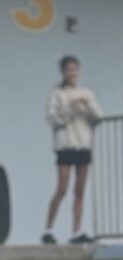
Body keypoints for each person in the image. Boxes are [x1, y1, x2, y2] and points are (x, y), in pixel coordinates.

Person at [43, 55, 102, 245]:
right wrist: (69, 109)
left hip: (83, 144)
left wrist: (85, 106)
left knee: (79, 190)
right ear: (63, 72)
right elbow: (53, 119)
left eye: (75, 69)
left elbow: (98, 116)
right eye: (69, 69)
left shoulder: (86, 93)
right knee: (62, 188)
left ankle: (76, 231)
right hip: (65, 145)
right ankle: (48, 229)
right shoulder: (57, 94)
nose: (72, 73)